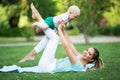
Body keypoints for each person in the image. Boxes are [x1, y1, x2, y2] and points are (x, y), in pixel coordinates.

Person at [0, 22, 104, 73]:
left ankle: (40, 21)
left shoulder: (78, 65)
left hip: (47, 66)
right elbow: (70, 44)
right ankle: (32, 53)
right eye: (87, 50)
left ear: (91, 59)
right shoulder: (80, 57)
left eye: (89, 53)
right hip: (51, 62)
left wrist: (59, 29)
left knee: (54, 37)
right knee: (51, 37)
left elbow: (66, 46)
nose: (86, 52)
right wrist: (63, 29)